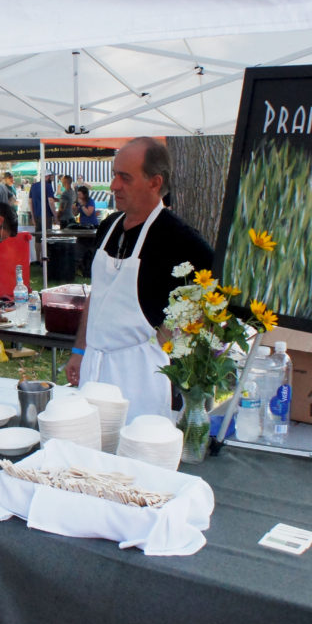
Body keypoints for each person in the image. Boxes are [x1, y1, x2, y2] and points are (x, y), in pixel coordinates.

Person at [64, 138, 214, 422]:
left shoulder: (179, 238)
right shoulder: (109, 227)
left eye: (125, 178)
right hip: (95, 366)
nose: (113, 186)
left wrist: (170, 334)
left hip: (140, 371)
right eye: (114, 175)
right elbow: (98, 296)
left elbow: (217, 296)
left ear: (155, 182)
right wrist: (80, 348)